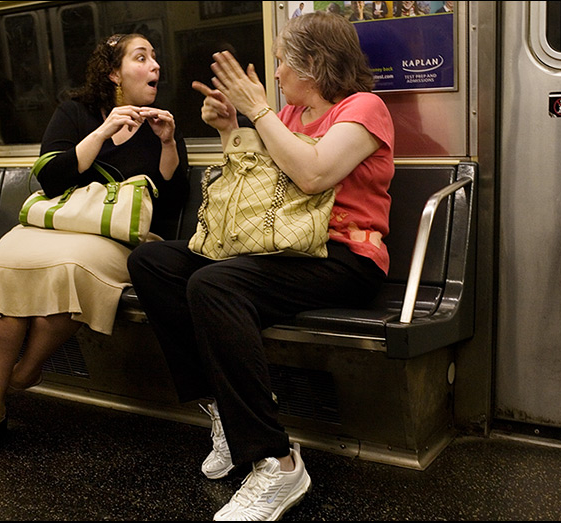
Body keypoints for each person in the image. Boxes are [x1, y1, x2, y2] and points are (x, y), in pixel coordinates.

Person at [127, 11, 394, 522]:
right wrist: (232, 128)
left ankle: (278, 460)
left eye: (280, 65)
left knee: (214, 286)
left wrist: (258, 112)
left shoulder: (364, 109)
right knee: (154, 261)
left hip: (345, 257)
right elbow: (259, 192)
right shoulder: (289, 117)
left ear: (311, 65)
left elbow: (313, 175)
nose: (274, 76)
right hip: (285, 247)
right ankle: (225, 413)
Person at [0, 33, 188, 456]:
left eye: (156, 57)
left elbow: (171, 203)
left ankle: (21, 373)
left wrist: (168, 143)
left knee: (72, 269)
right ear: (114, 72)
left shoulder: (161, 126)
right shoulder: (75, 112)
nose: (155, 65)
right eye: (142, 57)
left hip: (114, 234)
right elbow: (52, 176)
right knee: (4, 265)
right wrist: (102, 132)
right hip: (56, 222)